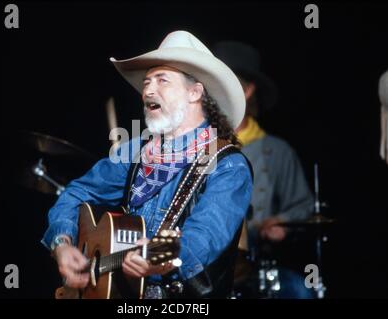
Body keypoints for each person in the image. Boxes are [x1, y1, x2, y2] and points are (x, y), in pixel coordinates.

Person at [41, 31, 253, 298]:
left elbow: (204, 236)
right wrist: (62, 242)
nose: (148, 91)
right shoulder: (135, 152)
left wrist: (163, 256)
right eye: (147, 82)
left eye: (162, 81)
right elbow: (75, 193)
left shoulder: (227, 166)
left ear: (194, 92)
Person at [213, 41, 315, 298]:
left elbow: (304, 207)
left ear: (247, 90)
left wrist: (283, 223)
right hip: (203, 267)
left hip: (257, 268)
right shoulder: (193, 145)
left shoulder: (277, 151)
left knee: (300, 292)